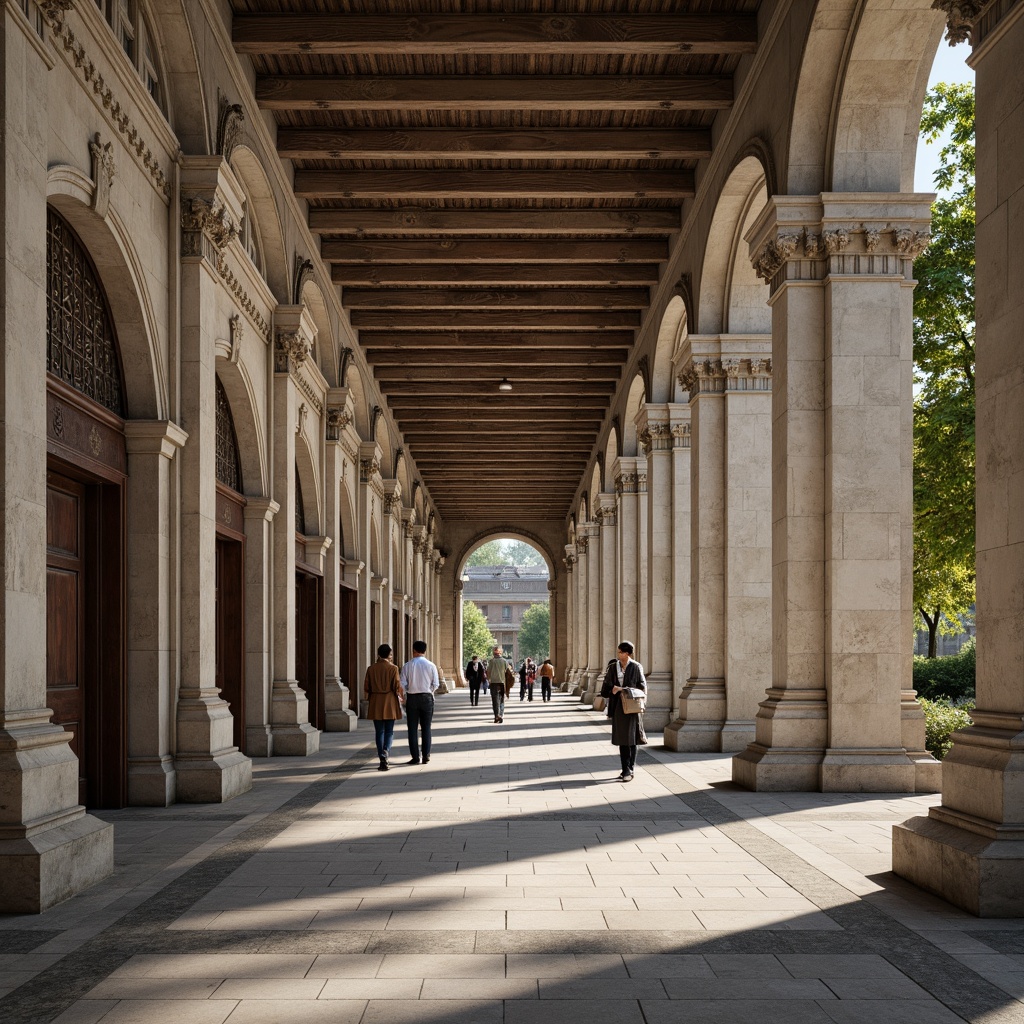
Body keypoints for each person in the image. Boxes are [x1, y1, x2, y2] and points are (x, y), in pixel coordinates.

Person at [600, 641, 647, 782]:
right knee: (622, 739)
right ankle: (626, 768)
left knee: (632, 738)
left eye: (620, 652)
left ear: (627, 653)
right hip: (618, 707)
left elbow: (642, 688)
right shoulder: (613, 668)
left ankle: (629, 768)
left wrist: (622, 689)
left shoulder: (637, 667)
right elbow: (605, 690)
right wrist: (613, 690)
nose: (618, 654)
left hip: (632, 706)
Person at [363, 643, 404, 771]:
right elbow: (396, 686)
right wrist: (400, 697)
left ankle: (381, 756)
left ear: (378, 654)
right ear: (389, 655)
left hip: (376, 701)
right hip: (389, 700)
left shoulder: (371, 668)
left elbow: (366, 687)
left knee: (379, 731)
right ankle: (386, 751)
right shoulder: (393, 668)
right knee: (389, 730)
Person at [400, 639, 440, 764]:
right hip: (427, 697)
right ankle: (426, 755)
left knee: (412, 728)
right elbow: (436, 684)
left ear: (414, 650)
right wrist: (429, 690)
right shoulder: (431, 665)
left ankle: (415, 757)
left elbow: (403, 684)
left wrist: (409, 690)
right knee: (426, 727)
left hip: (412, 698)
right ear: (425, 651)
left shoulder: (407, 665)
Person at [486, 646, 509, 724]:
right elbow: (507, 671)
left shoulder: (491, 661)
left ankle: (496, 716)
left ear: (493, 653)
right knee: (501, 700)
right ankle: (501, 715)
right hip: (502, 683)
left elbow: (488, 672)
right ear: (501, 653)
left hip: (493, 683)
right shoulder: (504, 661)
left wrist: (489, 680)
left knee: (495, 700)